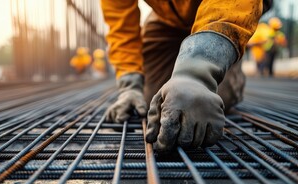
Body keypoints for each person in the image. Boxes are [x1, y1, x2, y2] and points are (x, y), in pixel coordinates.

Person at [102, 0, 272, 151]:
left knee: (209, 99)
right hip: (169, 17)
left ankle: (228, 56)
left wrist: (198, 74)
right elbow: (121, 25)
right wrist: (130, 85)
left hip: (227, 8)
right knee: (154, 99)